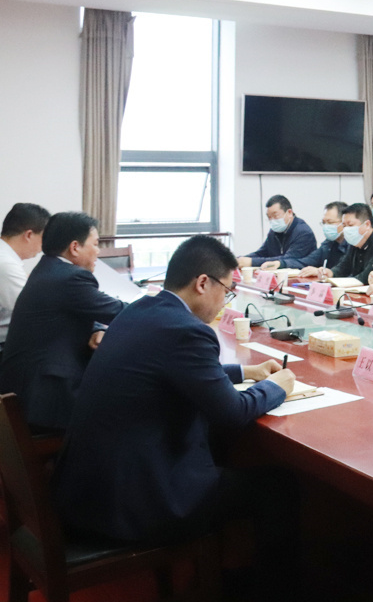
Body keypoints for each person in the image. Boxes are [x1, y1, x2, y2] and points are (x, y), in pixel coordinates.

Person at [52, 235, 293, 544]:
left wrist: (246, 372)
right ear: (203, 283)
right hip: (135, 504)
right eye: (227, 291)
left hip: (87, 491)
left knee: (217, 449)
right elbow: (232, 413)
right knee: (278, 485)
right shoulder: (187, 331)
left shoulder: (140, 309)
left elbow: (172, 371)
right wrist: (275, 387)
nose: (225, 302)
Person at [0, 212, 126, 432]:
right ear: (75, 247)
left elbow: (74, 310)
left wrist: (96, 329)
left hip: (25, 390)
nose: (98, 251)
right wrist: (163, 302)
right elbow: (119, 311)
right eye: (95, 244)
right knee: (127, 410)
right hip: (45, 399)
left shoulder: (48, 269)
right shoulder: (69, 278)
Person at [299, 203, 373, 285]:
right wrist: (330, 273)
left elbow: (365, 277)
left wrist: (336, 282)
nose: (346, 229)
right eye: (344, 225)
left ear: (367, 224)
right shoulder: (356, 241)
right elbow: (344, 267)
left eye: (350, 225)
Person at [0, 203, 50, 345]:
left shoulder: (6, 258)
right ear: (29, 235)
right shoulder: (5, 263)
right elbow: (34, 310)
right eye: (43, 238)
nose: (43, 246)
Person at [260, 201, 347, 271]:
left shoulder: (351, 246)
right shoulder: (329, 243)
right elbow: (307, 261)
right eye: (324, 223)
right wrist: (280, 264)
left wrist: (324, 272)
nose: (326, 226)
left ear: (344, 223)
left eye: (330, 222)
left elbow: (343, 272)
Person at [237, 194, 316, 269]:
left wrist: (252, 262)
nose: (272, 220)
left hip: (302, 276)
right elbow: (262, 253)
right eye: (269, 217)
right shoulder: (274, 231)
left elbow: (288, 259)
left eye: (275, 216)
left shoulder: (303, 232)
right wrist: (241, 260)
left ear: (289, 213)